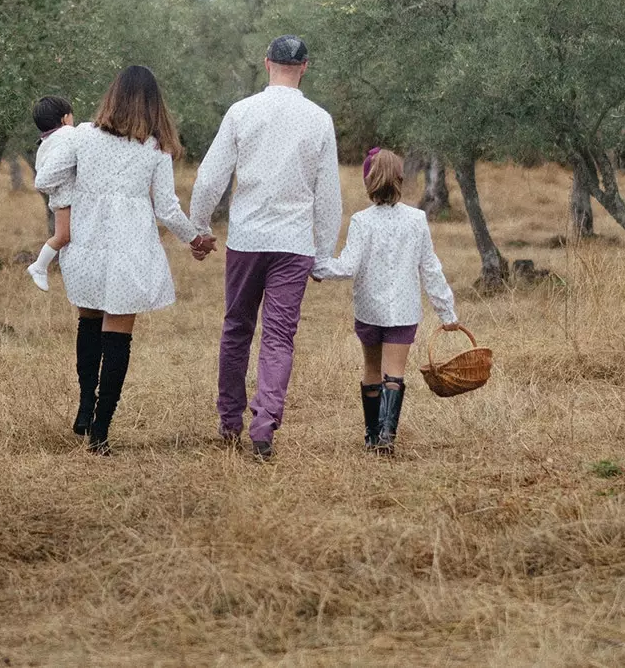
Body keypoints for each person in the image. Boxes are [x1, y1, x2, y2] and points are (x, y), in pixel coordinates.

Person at [36, 66, 216, 454]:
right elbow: (167, 209)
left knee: (88, 322)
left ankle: (85, 406)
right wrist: (196, 239)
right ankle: (100, 431)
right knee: (117, 336)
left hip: (87, 243)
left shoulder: (83, 136)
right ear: (154, 104)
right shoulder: (155, 148)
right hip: (131, 250)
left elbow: (45, 177)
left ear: (112, 96)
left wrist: (77, 195)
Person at [189, 34, 342, 461]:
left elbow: (209, 177)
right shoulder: (319, 119)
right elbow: (328, 193)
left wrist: (200, 226)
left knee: (236, 328)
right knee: (279, 336)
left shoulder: (242, 112)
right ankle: (264, 424)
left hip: (247, 239)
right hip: (294, 243)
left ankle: (229, 419)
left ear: (266, 63)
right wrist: (325, 253)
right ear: (305, 67)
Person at [312, 147, 461, 455]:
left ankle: (370, 435)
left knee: (371, 369)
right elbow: (430, 267)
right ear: (400, 178)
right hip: (404, 311)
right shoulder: (416, 219)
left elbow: (348, 266)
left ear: (369, 181)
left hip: (369, 309)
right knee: (394, 372)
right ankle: (387, 436)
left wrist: (318, 266)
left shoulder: (361, 221)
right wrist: (447, 313)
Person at [26, 95, 75, 292]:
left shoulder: (47, 142)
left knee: (65, 237)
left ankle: (40, 266)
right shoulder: (68, 135)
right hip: (66, 200)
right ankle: (39, 266)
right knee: (63, 236)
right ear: (64, 119)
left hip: (60, 199)